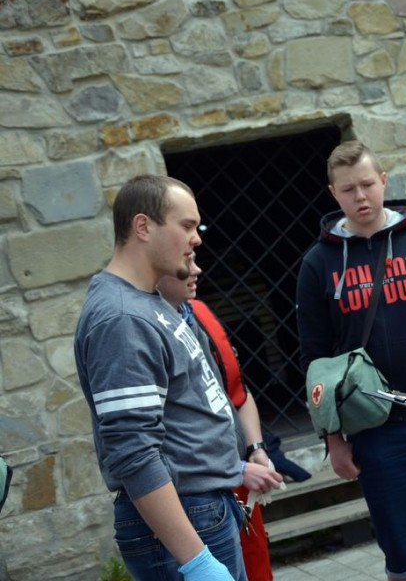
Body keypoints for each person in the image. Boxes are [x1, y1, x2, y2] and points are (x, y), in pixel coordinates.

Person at [74, 174, 282, 581]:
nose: (197, 238)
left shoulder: (149, 301)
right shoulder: (120, 317)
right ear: (143, 227)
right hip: (184, 522)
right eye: (186, 226)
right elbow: (133, 452)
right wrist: (196, 560)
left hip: (204, 507)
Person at [295, 141, 406, 581]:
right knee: (403, 554)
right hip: (375, 427)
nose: (360, 196)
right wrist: (333, 440)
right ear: (333, 194)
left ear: (384, 182)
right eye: (348, 189)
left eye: (368, 184)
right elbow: (315, 359)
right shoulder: (318, 264)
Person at [158, 255, 284, 581]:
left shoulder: (198, 312)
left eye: (195, 259)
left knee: (257, 570)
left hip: (237, 483)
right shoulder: (147, 329)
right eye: (184, 262)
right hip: (196, 499)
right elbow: (169, 437)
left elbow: (238, 393)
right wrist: (239, 469)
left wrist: (256, 448)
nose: (197, 270)